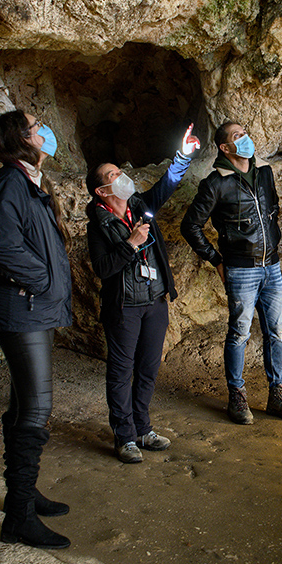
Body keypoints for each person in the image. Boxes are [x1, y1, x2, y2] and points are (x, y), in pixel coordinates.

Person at [0, 110, 73, 549]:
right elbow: (2, 246)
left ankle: (21, 494)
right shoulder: (9, 184)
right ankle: (18, 516)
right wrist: (42, 281)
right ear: (20, 138)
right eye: (37, 126)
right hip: (23, 307)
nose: (45, 132)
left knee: (23, 405)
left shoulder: (30, 183)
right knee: (36, 410)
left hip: (35, 308)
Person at [86, 124, 201, 464]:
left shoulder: (139, 205)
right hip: (124, 307)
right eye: (112, 174)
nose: (120, 176)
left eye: (119, 170)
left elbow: (166, 187)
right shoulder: (99, 225)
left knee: (149, 368)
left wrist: (183, 155)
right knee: (122, 372)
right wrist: (130, 244)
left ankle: (143, 428)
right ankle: (124, 437)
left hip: (154, 301)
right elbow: (103, 268)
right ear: (101, 189)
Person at [181, 121, 282, 424]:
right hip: (241, 270)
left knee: (276, 332)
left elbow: (271, 211)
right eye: (238, 136)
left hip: (271, 266)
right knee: (239, 334)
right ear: (225, 148)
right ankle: (237, 395)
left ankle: (277, 394)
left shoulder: (263, 172)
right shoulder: (215, 183)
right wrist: (216, 260)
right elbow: (190, 226)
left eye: (245, 132)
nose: (245, 139)